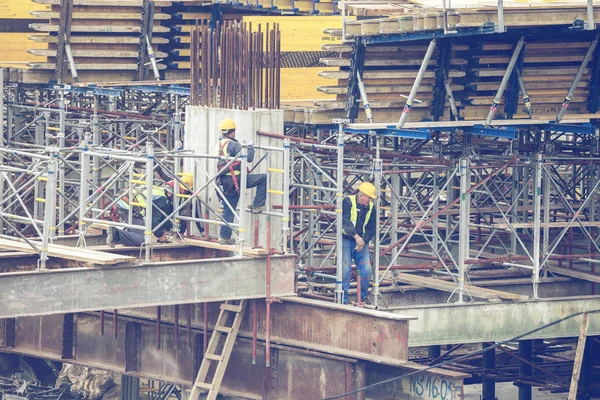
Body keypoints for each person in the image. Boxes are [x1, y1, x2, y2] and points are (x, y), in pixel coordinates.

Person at [216, 118, 267, 245]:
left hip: (225, 180)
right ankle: (257, 205)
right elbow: (248, 158)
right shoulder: (233, 144)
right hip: (237, 179)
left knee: (229, 209)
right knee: (264, 178)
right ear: (232, 132)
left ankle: (224, 237)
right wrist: (250, 146)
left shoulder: (219, 144)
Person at [106, 182, 180, 248]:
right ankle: (116, 234)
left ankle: (120, 235)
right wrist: (161, 235)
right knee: (142, 239)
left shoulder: (157, 190)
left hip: (122, 201)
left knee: (136, 232)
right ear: (170, 193)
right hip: (127, 206)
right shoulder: (162, 198)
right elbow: (152, 220)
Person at [341, 181, 378, 304]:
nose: (369, 201)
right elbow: (345, 222)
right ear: (361, 195)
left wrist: (363, 241)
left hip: (361, 242)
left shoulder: (371, 207)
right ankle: (343, 298)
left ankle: (363, 297)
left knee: (366, 269)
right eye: (369, 198)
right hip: (347, 239)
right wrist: (356, 237)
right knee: (345, 269)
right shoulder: (348, 201)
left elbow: (371, 228)